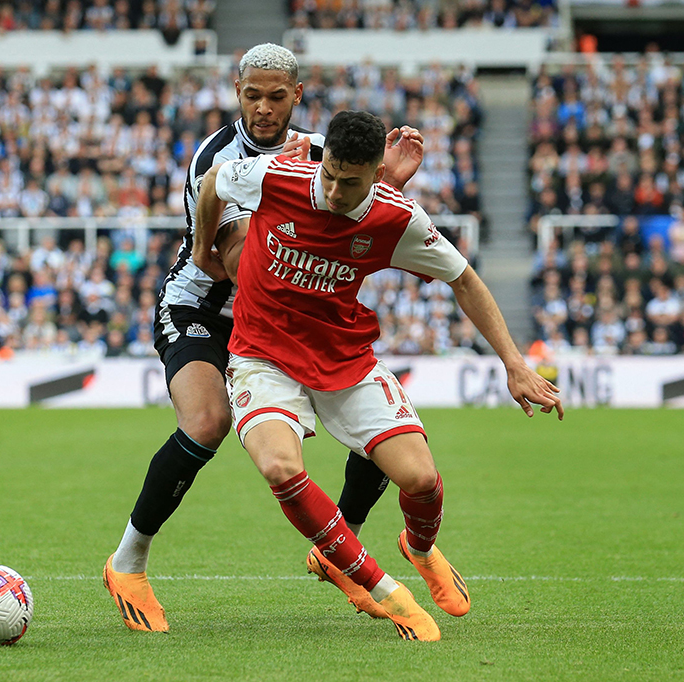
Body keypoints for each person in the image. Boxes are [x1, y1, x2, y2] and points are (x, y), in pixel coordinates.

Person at [192, 111, 563, 641]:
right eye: (331, 175)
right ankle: (387, 592)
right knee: (278, 465)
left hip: (344, 358)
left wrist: (515, 362)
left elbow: (464, 280)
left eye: (352, 181)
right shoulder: (278, 176)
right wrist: (207, 246)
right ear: (324, 160)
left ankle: (419, 547)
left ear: (375, 175)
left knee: (421, 480)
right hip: (263, 355)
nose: (337, 190)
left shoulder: (398, 217)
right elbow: (213, 182)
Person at [103, 44, 426, 632]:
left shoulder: (322, 154)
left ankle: (340, 549)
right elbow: (234, 259)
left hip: (286, 313)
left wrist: (384, 189)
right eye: (252, 95)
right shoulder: (216, 159)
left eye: (276, 96)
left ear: (296, 96)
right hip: (207, 306)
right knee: (206, 423)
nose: (263, 107)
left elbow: (354, 215)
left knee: (371, 418)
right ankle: (128, 561)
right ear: (237, 92)